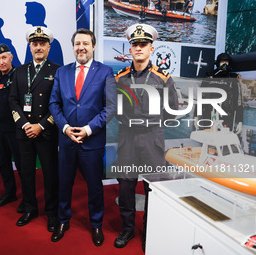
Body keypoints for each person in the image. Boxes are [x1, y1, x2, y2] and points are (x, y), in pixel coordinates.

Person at [113, 24, 178, 250]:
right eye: (135, 45)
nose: (138, 48)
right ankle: (128, 229)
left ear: (151, 49)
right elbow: (113, 107)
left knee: (154, 187)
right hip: (127, 138)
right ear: (130, 49)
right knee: (126, 186)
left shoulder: (163, 78)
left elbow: (172, 109)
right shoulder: (119, 78)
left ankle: (150, 228)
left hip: (152, 137)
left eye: (143, 44)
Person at [49, 28, 116, 246]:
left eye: (86, 43)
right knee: (64, 184)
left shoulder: (105, 72)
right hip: (67, 140)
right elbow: (54, 104)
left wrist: (88, 129)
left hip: (92, 142)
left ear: (93, 46)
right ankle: (63, 220)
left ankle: (96, 224)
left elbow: (110, 107)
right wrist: (65, 127)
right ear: (73, 47)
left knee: (95, 187)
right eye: (78, 43)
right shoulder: (62, 72)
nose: (81, 47)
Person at [9, 26, 60, 231]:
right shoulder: (20, 71)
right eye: (34, 44)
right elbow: (13, 101)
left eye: (42, 44)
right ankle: (30, 208)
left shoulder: (58, 71)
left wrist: (40, 126)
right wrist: (24, 124)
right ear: (30, 46)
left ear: (49, 46)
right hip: (24, 132)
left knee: (50, 174)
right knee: (27, 173)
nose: (38, 47)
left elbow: (60, 103)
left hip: (46, 131)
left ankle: (52, 213)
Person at [0, 44, 21, 208]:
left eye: (4, 58)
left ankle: (28, 197)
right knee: (4, 164)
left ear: (11, 57)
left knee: (22, 165)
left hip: (16, 129)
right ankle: (10, 193)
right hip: (0, 129)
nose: (1, 62)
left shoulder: (20, 75)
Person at [194, 53, 243, 134]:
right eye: (222, 62)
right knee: (208, 140)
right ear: (218, 63)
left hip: (226, 116)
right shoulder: (209, 76)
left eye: (226, 62)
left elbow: (238, 100)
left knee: (223, 142)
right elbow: (200, 97)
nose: (224, 64)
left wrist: (240, 121)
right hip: (208, 115)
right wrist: (196, 116)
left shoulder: (233, 78)